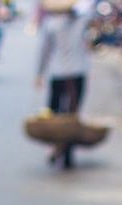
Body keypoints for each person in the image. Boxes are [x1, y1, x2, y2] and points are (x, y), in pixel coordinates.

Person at [35, 0, 92, 169]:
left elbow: (44, 51)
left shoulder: (51, 24)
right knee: (72, 115)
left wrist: (39, 74)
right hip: (77, 74)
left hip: (58, 74)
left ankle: (58, 148)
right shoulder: (81, 21)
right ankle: (64, 151)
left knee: (56, 115)